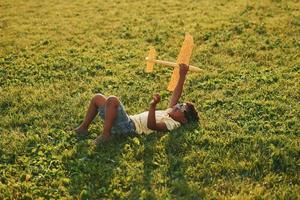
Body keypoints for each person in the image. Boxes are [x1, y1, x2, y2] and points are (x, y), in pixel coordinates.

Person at [75, 64, 199, 144]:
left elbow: (152, 125)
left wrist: (153, 106)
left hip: (130, 128)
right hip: (127, 121)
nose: (177, 105)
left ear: (184, 120)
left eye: (182, 108)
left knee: (112, 100)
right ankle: (83, 128)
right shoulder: (169, 112)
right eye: (180, 104)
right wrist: (182, 75)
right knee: (97, 98)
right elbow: (176, 94)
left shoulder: (173, 123)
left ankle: (106, 134)